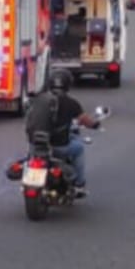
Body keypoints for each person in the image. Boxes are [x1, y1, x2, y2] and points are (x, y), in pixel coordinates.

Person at [23, 66, 96, 194]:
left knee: (28, 157)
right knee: (79, 148)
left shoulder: (38, 99)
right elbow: (85, 120)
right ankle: (79, 184)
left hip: (35, 145)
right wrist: (95, 124)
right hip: (59, 147)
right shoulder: (72, 103)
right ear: (68, 84)